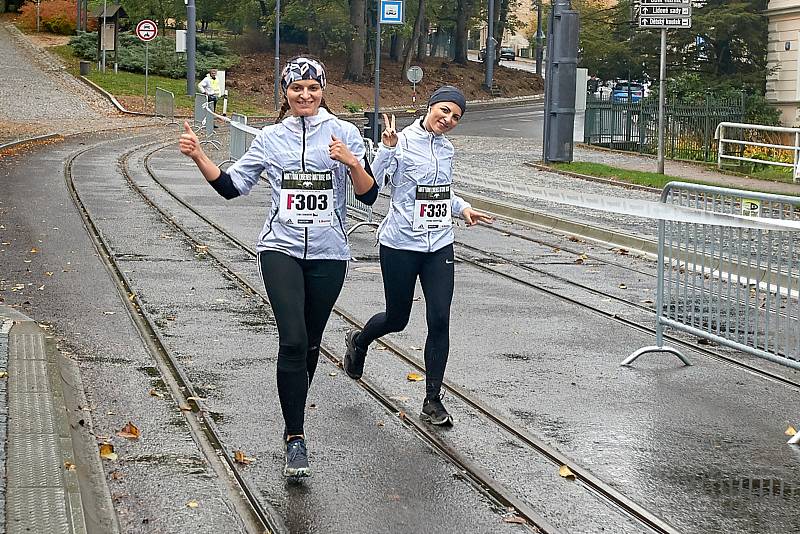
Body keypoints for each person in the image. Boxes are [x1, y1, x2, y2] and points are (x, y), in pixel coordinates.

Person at [179, 56, 378, 478]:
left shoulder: (344, 133)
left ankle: (294, 413)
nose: (305, 95)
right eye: (296, 88)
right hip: (280, 249)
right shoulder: (271, 138)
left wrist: (352, 163)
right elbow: (233, 188)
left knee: (309, 344)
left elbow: (369, 196)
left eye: (312, 88)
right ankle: (295, 436)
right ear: (284, 94)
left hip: (329, 254)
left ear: (323, 91)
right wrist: (199, 156)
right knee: (292, 339)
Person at [343, 86, 493, 426]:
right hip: (400, 244)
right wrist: (386, 148)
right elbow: (374, 184)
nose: (449, 119)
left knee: (439, 319)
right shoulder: (402, 141)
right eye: (444, 110)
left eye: (456, 116)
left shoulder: (448, 149)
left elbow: (441, 192)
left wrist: (463, 208)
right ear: (429, 108)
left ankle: (432, 400)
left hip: (439, 243)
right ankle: (360, 340)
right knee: (398, 319)